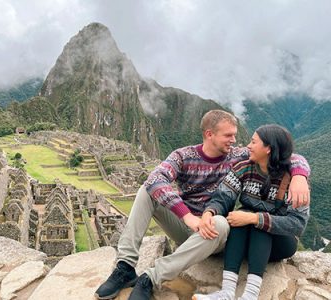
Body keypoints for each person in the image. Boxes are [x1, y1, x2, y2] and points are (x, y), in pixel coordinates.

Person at [94, 110, 310, 300]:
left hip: (216, 232)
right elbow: (155, 179)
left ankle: (151, 277)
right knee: (147, 190)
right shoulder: (183, 156)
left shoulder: (239, 156)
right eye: (228, 135)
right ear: (209, 134)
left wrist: (299, 175)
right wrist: (188, 216)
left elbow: (282, 152)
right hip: (188, 225)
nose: (235, 141)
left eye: (235, 135)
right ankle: (125, 266)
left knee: (220, 223)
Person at [193, 124, 310, 300]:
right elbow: (223, 197)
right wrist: (209, 212)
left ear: (268, 148)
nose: (248, 145)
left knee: (257, 222)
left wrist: (255, 218)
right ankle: (227, 292)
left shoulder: (295, 181)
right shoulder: (243, 167)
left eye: (253, 142)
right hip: (248, 242)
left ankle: (250, 295)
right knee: (239, 217)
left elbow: (297, 225)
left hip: (280, 243)